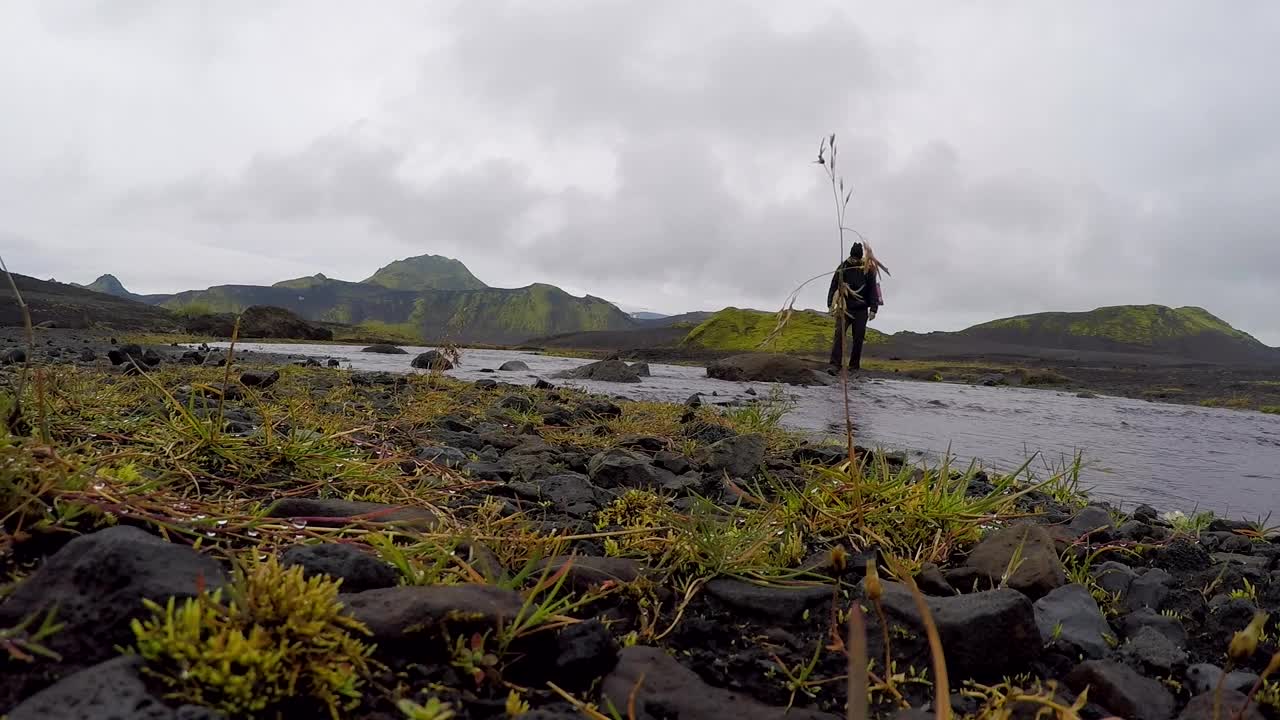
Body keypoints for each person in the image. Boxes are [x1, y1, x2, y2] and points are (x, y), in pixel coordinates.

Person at [826, 242, 882, 371]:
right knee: (839, 335)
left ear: (860, 257)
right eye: (852, 258)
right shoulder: (843, 267)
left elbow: (873, 289)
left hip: (861, 310)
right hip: (844, 308)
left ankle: (854, 366)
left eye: (856, 259)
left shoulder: (868, 269)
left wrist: (874, 309)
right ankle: (835, 364)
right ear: (850, 256)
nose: (854, 261)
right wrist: (830, 304)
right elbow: (834, 285)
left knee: (858, 338)